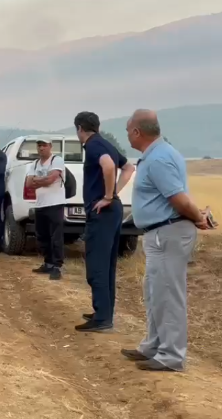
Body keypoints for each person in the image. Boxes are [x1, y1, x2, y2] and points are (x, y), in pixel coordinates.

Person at [121, 109, 210, 371]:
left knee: (168, 294)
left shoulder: (159, 158)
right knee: (154, 292)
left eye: (128, 131)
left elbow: (179, 199)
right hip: (159, 233)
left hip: (168, 232)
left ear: (137, 132)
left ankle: (171, 355)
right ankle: (153, 345)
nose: (127, 136)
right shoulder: (157, 155)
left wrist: (198, 218)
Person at [73, 111, 136, 332]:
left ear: (80, 128)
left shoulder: (93, 145)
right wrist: (115, 193)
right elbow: (128, 167)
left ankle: (102, 320)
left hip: (102, 213)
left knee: (96, 266)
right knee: (107, 264)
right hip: (113, 212)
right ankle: (103, 311)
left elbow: (109, 166)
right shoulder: (106, 143)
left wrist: (109, 196)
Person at [26, 137, 66, 280]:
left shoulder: (57, 160)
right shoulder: (35, 163)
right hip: (40, 204)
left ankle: (57, 266)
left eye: (43, 145)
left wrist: (38, 180)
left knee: (56, 235)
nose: (41, 148)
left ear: (50, 146)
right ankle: (48, 263)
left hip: (55, 203)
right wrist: (42, 181)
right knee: (42, 236)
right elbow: (29, 183)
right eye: (39, 145)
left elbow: (51, 179)